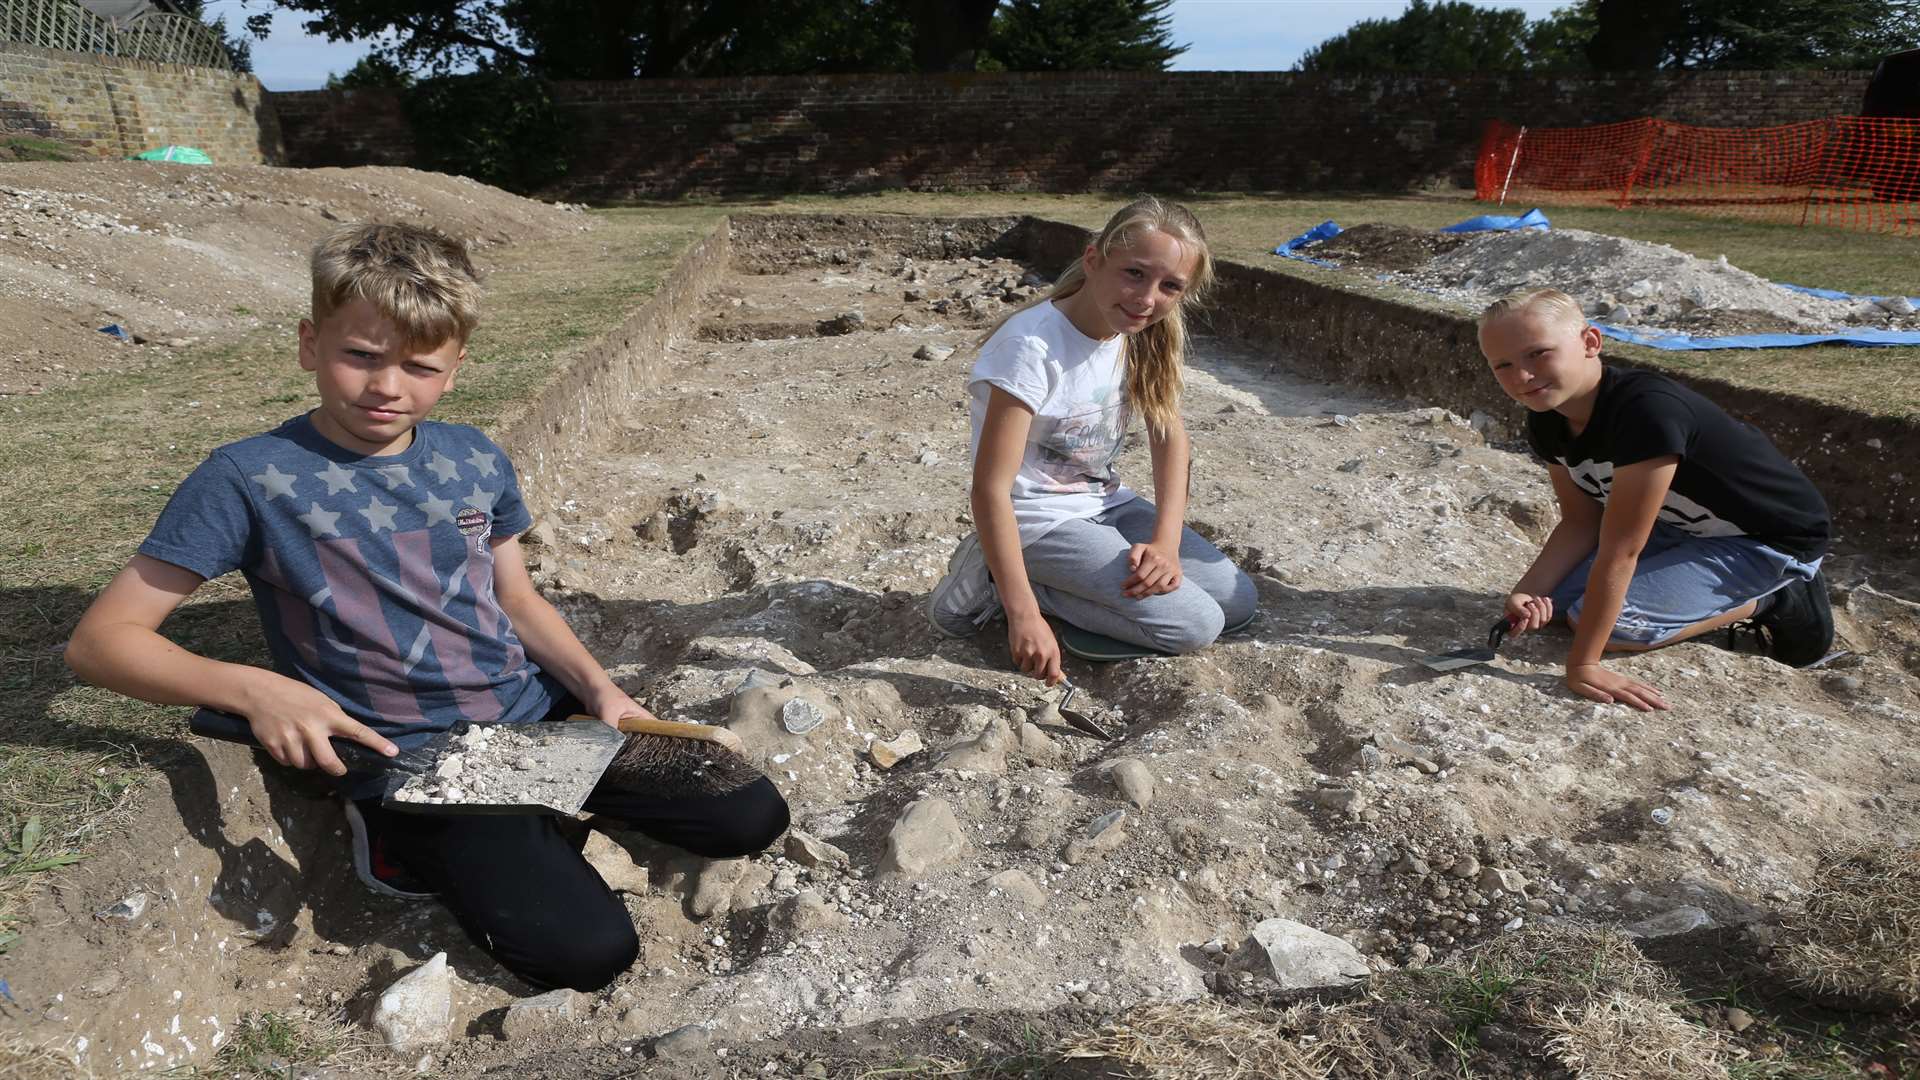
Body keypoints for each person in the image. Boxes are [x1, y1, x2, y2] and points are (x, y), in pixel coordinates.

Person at [64, 222, 788, 992]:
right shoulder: (247, 478)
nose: (387, 387)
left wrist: (599, 690)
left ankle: (538, 806)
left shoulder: (473, 456)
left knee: (747, 815)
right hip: (408, 757)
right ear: (311, 344)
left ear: (456, 367)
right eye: (361, 357)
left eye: (419, 366)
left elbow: (515, 596)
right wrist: (255, 688)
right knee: (588, 953)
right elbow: (102, 642)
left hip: (532, 724)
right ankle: (397, 840)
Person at [928, 196, 1258, 683]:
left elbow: (1170, 436)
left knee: (1236, 600)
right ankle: (1002, 580)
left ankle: (1054, 586)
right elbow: (990, 489)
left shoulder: (1142, 332)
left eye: (1170, 286)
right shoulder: (1031, 348)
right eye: (1134, 274)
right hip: (1037, 523)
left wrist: (1164, 542)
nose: (1147, 298)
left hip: (1105, 504)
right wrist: (1023, 616)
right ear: (1093, 259)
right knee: (1196, 623)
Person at [1478, 288, 1833, 711]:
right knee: (1554, 606)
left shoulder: (1646, 412)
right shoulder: (1547, 419)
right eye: (1504, 365)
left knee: (1607, 627)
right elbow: (1581, 521)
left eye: (1538, 353)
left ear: (1591, 343)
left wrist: (1585, 664)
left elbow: (1622, 549)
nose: (1523, 376)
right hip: (1680, 526)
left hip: (1765, 539)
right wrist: (1527, 591)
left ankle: (1779, 596)